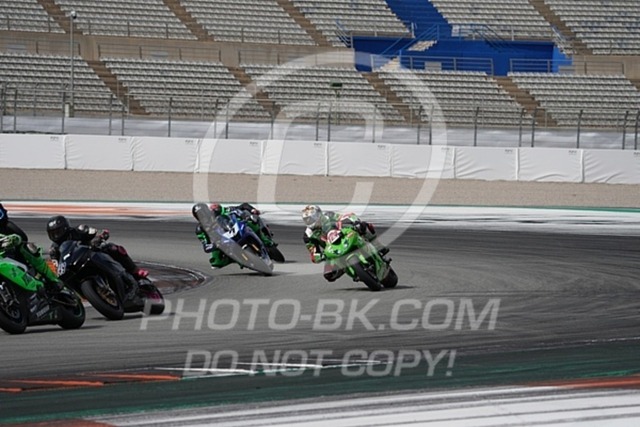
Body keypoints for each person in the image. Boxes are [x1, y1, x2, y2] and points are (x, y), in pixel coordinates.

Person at [46, 215, 148, 281]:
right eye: (53, 234)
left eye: (58, 232)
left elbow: (94, 233)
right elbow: (57, 267)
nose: (56, 236)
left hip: (91, 253)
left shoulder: (78, 230)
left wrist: (100, 237)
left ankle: (135, 270)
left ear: (65, 228)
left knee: (111, 248)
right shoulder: (54, 250)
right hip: (76, 266)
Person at [301, 204, 387, 282]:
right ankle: (348, 270)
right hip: (332, 250)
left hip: (344, 235)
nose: (309, 221)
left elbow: (345, 217)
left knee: (363, 226)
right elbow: (313, 252)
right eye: (306, 220)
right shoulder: (308, 235)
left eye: (311, 218)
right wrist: (320, 256)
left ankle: (377, 245)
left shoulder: (328, 216)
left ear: (318, 214)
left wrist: (355, 222)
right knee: (329, 275)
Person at [0, 203, 63, 293]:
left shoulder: (9, 228)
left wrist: (14, 239)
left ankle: (52, 279)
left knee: (29, 248)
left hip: (12, 258)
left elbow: (21, 238)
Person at [193, 202, 264, 269]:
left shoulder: (217, 211)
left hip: (232, 229)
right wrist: (215, 245)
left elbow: (240, 207)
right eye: (200, 215)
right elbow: (206, 246)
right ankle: (239, 260)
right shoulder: (200, 229)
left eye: (204, 213)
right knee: (216, 263)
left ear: (208, 211)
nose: (203, 217)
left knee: (251, 223)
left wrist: (249, 212)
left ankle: (265, 240)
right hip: (221, 241)